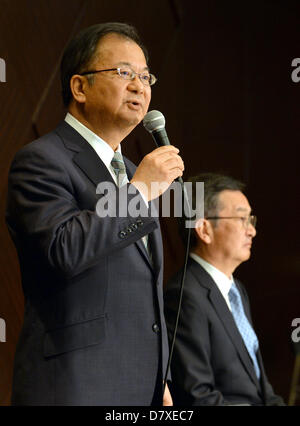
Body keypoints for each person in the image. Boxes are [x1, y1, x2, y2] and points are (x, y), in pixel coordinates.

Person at [6, 22, 184, 406]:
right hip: (76, 388)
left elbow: (140, 288)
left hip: (143, 391)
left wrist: (160, 375)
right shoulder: (41, 160)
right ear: (79, 87)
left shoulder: (134, 171)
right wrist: (140, 192)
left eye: (145, 75)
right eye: (124, 72)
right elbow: (61, 249)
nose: (139, 85)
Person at [164, 173, 284, 405]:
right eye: (242, 220)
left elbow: (260, 386)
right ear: (204, 229)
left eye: (252, 220)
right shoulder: (184, 295)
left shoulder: (236, 289)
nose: (252, 231)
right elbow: (197, 395)